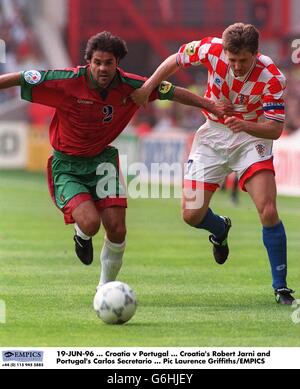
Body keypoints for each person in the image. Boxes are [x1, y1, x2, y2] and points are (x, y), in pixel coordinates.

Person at [0, 31, 230, 290]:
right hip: (67, 165)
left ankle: (105, 289)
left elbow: (172, 91)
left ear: (117, 63)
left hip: (103, 163)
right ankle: (82, 235)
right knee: (90, 223)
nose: (102, 68)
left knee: (117, 229)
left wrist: (210, 105)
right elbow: (20, 78)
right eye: (97, 62)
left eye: (108, 63)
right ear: (89, 61)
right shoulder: (67, 81)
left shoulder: (132, 87)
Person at [131, 23, 295, 305]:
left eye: (243, 60)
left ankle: (281, 288)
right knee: (191, 215)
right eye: (232, 60)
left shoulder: (272, 77)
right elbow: (175, 59)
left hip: (250, 138)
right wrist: (148, 87)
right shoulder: (211, 49)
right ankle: (220, 229)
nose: (237, 66)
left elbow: (275, 129)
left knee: (268, 211)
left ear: (255, 54)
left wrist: (244, 124)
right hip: (212, 136)